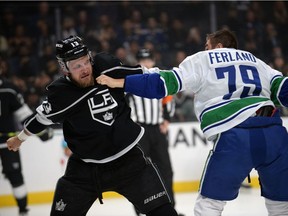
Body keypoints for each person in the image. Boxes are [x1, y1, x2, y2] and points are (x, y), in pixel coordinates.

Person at [96, 29, 288, 216]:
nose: (205, 50)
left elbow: (164, 83)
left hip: (236, 133)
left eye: (207, 46)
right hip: (274, 134)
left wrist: (122, 82)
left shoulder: (203, 59)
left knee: (208, 205)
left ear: (218, 47)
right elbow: (283, 90)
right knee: (281, 203)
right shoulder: (257, 62)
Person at [6, 35, 179, 216]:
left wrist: (178, 78)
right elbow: (40, 119)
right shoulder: (61, 95)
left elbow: (144, 74)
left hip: (129, 161)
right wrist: (20, 139)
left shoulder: (107, 66)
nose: (84, 69)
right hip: (84, 169)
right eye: (76, 66)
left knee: (164, 212)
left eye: (85, 62)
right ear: (65, 69)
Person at [126, 48, 178, 216]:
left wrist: (167, 119)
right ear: (138, 62)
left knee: (166, 169)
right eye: (142, 60)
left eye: (148, 60)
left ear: (153, 62)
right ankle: (141, 211)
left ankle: (170, 207)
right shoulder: (131, 80)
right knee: (139, 170)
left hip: (157, 129)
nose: (146, 63)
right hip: (139, 130)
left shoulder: (159, 78)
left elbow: (169, 98)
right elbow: (122, 104)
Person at [0, 73, 33, 216]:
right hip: (8, 143)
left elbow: (24, 114)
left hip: (7, 144)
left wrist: (40, 128)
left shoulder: (9, 89)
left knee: (15, 175)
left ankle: (23, 210)